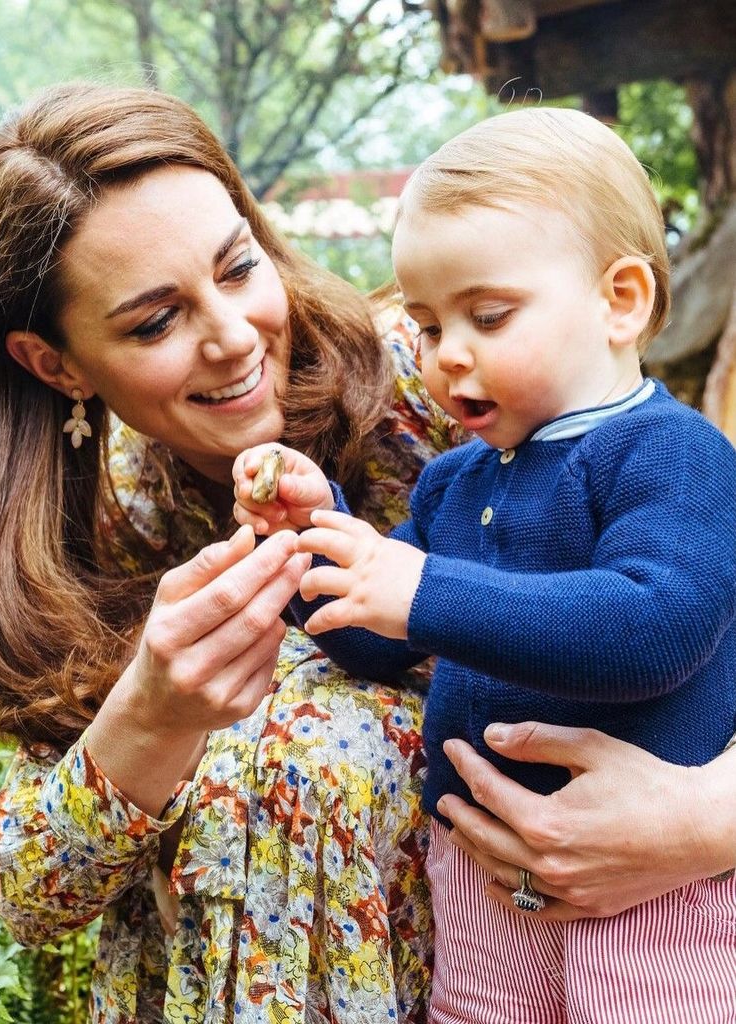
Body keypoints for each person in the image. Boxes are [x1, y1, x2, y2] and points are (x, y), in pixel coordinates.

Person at [0, 81, 459, 1024]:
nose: (234, 335)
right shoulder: (107, 527)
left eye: (239, 267)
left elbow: (690, 582)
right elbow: (29, 894)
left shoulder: (442, 383)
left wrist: (701, 820)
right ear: (56, 364)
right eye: (155, 321)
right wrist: (151, 718)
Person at [233, 107, 736, 1023]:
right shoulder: (454, 482)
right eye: (424, 324)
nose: (444, 353)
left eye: (488, 314)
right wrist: (314, 543)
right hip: (479, 879)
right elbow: (384, 644)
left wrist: (420, 588)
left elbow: (654, 627)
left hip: (652, 896)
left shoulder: (671, 456)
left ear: (619, 300)